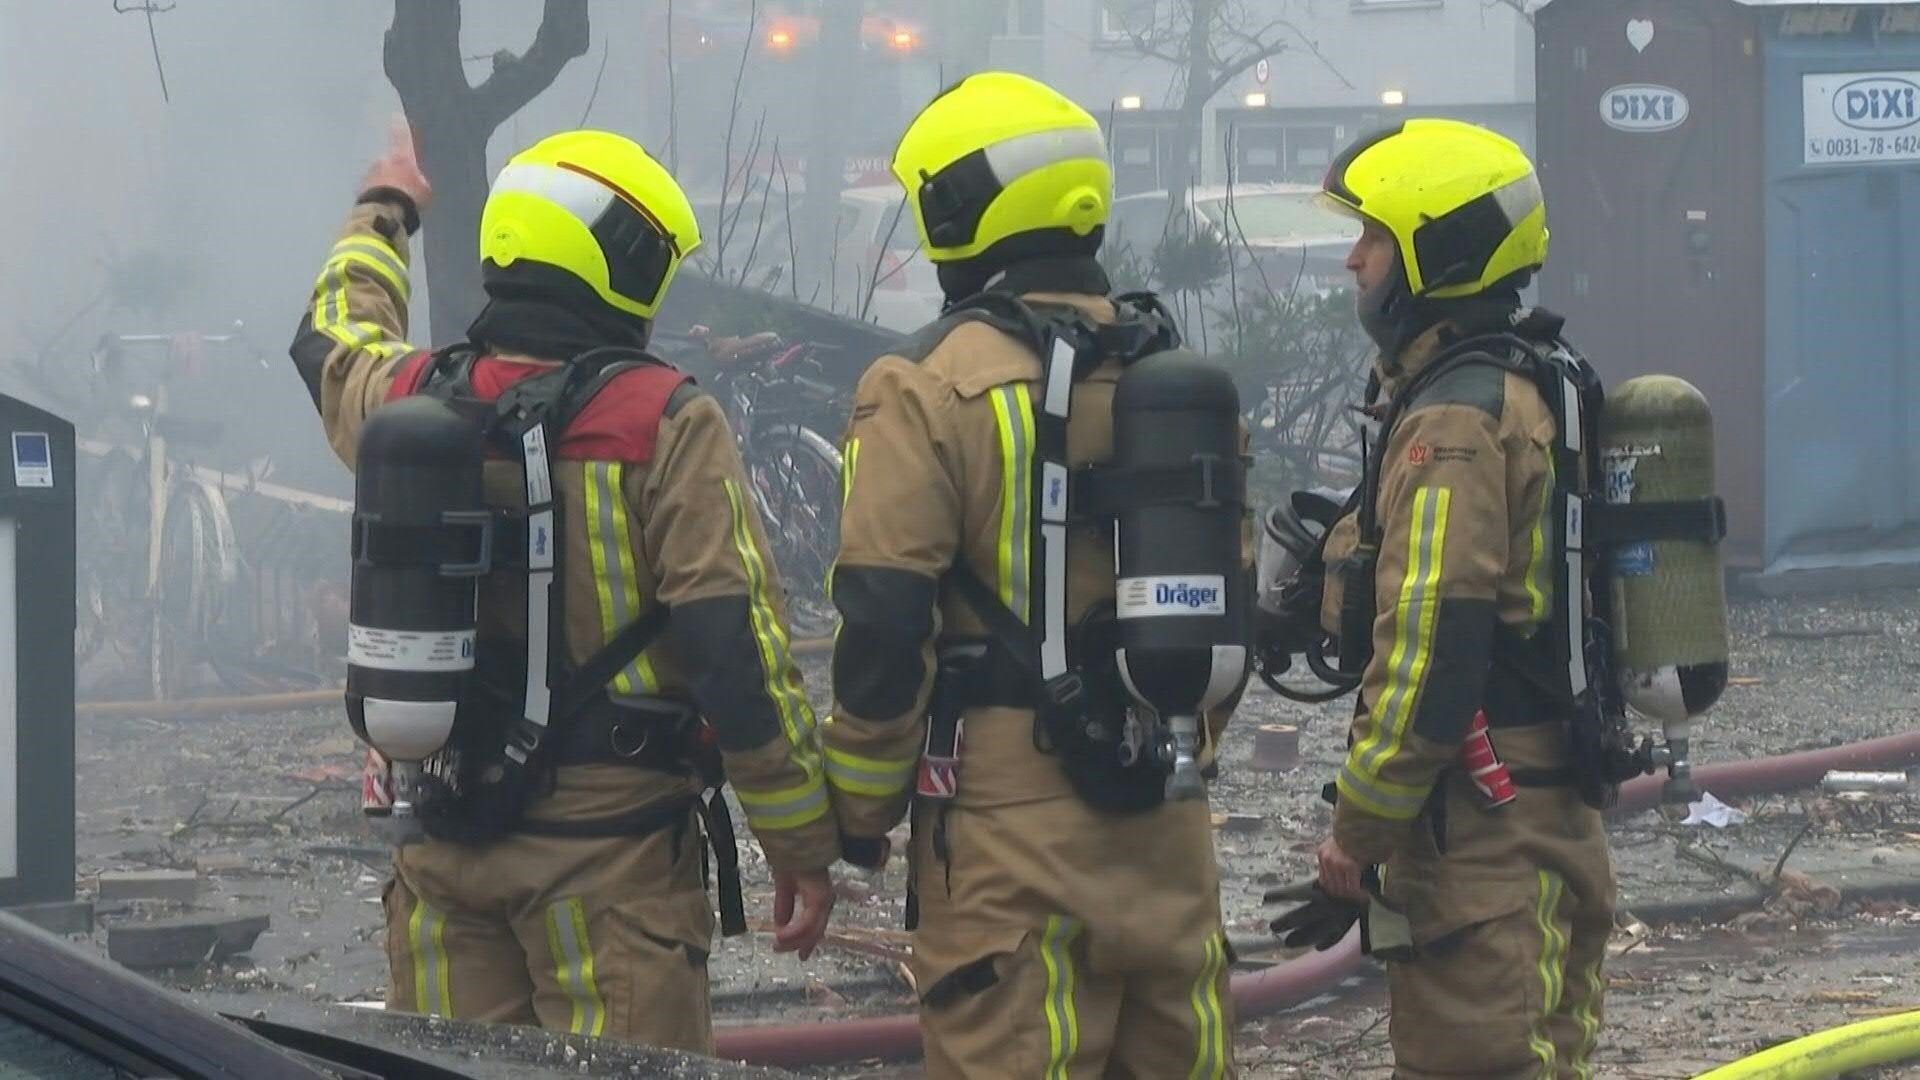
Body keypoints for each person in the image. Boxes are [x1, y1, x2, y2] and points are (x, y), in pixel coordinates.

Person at [287, 121, 838, 1052]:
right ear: (622, 265)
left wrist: (385, 206)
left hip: (443, 857)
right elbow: (734, 650)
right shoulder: (667, 422)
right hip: (611, 871)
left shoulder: (410, 398)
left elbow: (333, 337)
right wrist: (799, 842)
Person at [821, 72, 1245, 1079]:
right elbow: (1232, 598)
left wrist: (859, 814)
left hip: (1005, 838)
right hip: (1167, 820)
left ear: (958, 211)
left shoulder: (924, 385)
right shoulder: (1174, 382)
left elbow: (883, 619)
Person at [1289, 118, 1614, 1078]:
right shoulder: (1530, 381)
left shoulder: (1455, 422)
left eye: (1374, 237)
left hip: (1484, 845)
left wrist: (1357, 835)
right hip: (1544, 815)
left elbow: (1430, 646)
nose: (1354, 260)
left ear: (1439, 252)